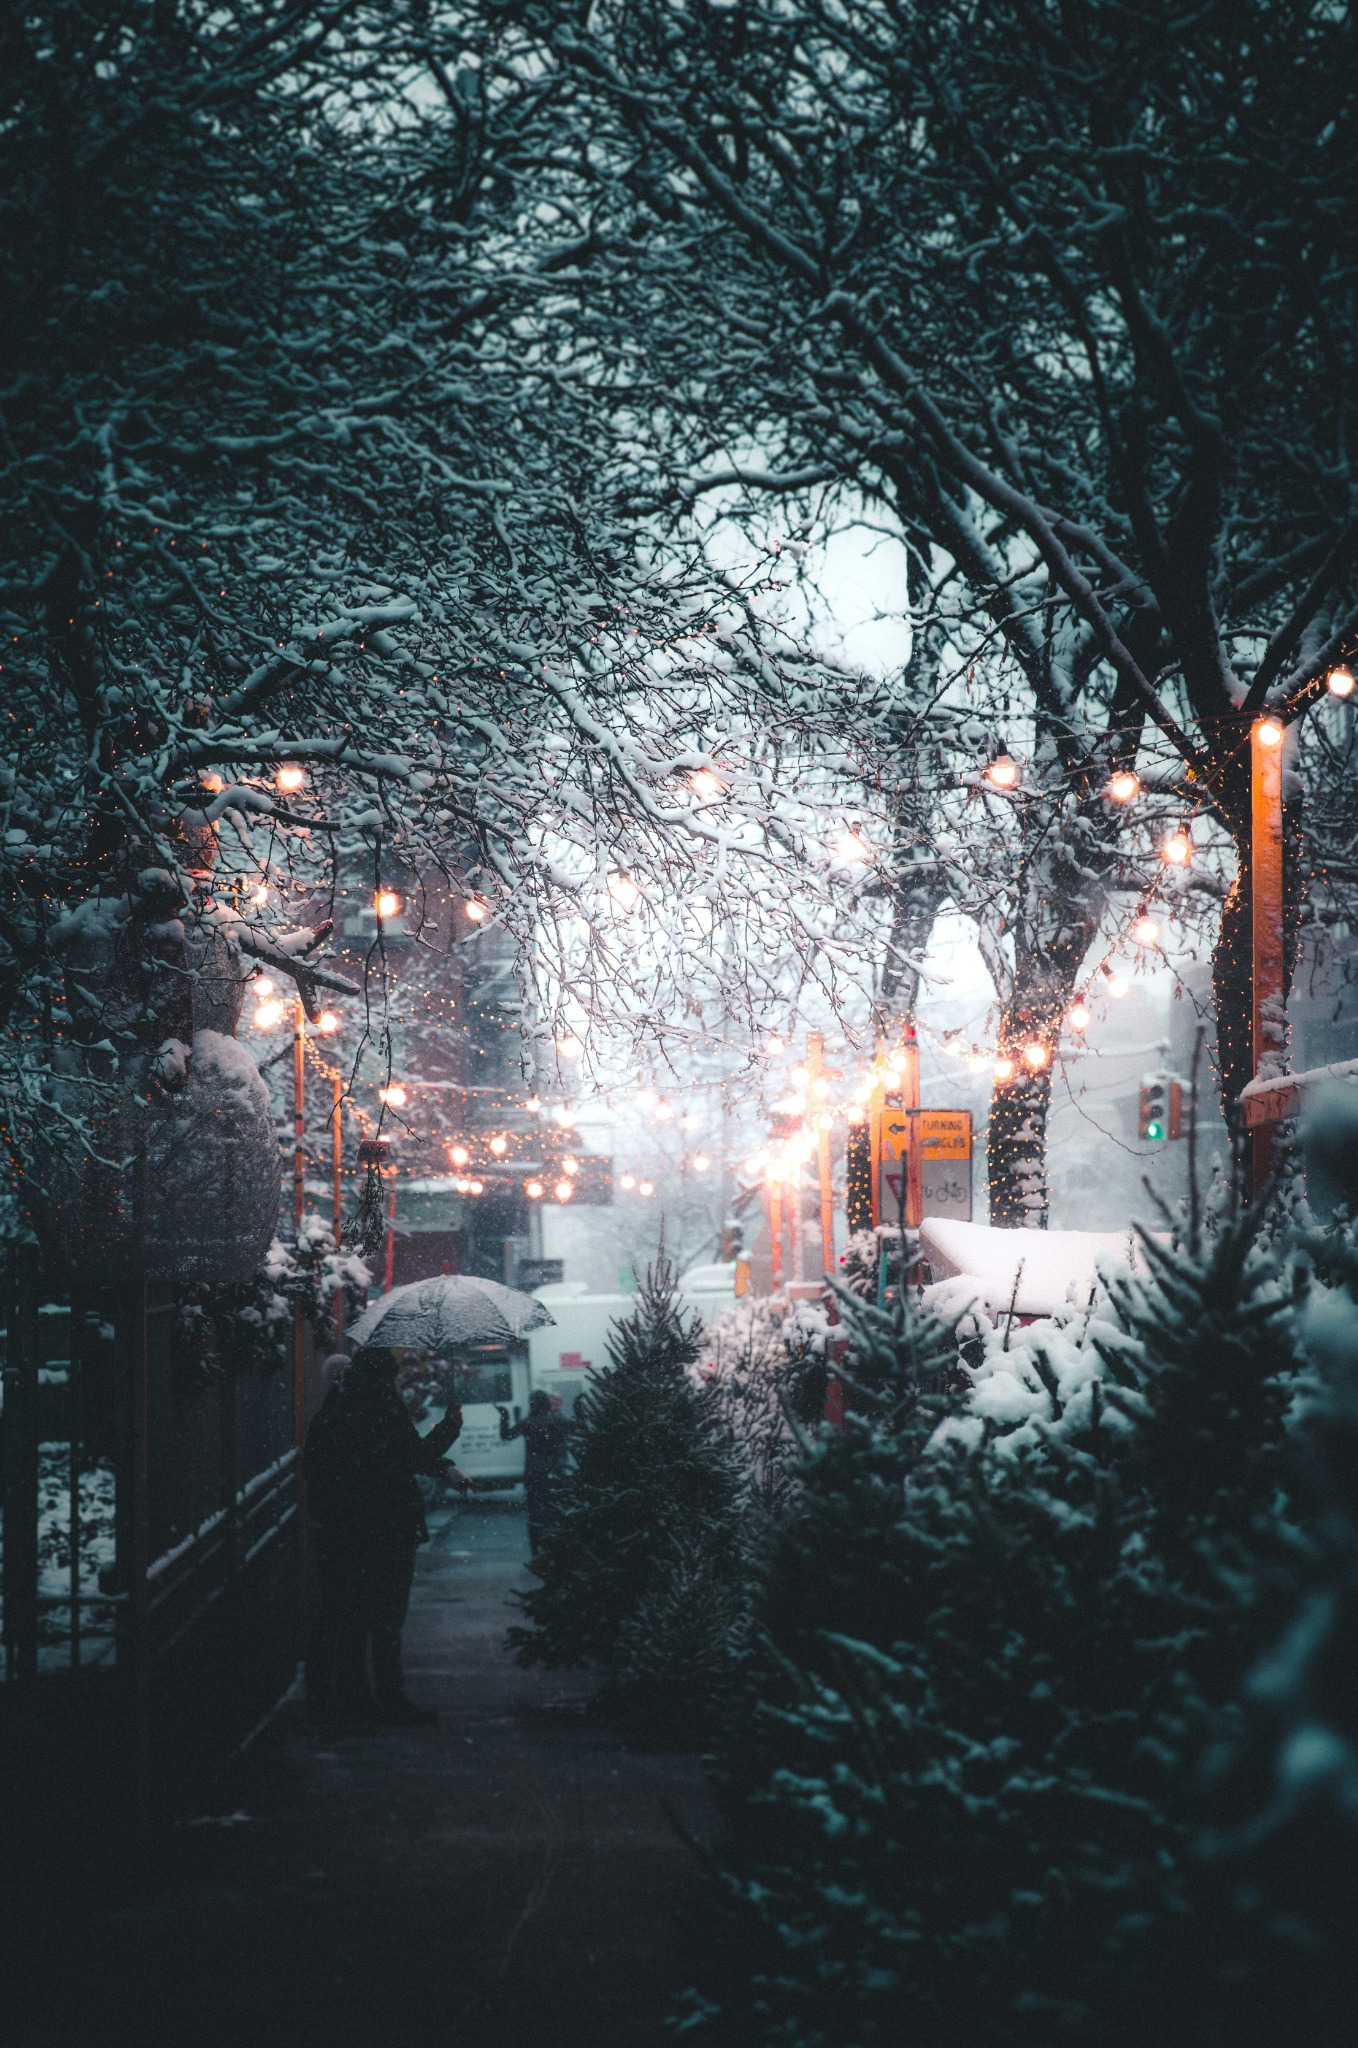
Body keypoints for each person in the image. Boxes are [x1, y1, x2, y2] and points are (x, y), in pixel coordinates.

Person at [305, 1346, 469, 1725]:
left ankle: (352, 1700)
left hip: (343, 1533)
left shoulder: (330, 1414)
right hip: (388, 1530)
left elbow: (314, 1470)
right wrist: (449, 1428)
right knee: (386, 1618)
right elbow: (413, 1457)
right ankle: (390, 1700)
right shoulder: (384, 1408)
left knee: (351, 1618)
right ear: (386, 1377)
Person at [497, 1389, 572, 1554]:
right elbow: (571, 1433)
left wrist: (504, 1415)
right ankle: (553, 1545)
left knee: (534, 1511)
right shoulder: (557, 1420)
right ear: (546, 1402)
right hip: (553, 1472)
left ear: (532, 1404)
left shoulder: (528, 1422)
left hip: (533, 1473)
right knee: (553, 1508)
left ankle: (535, 1549)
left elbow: (506, 1435)